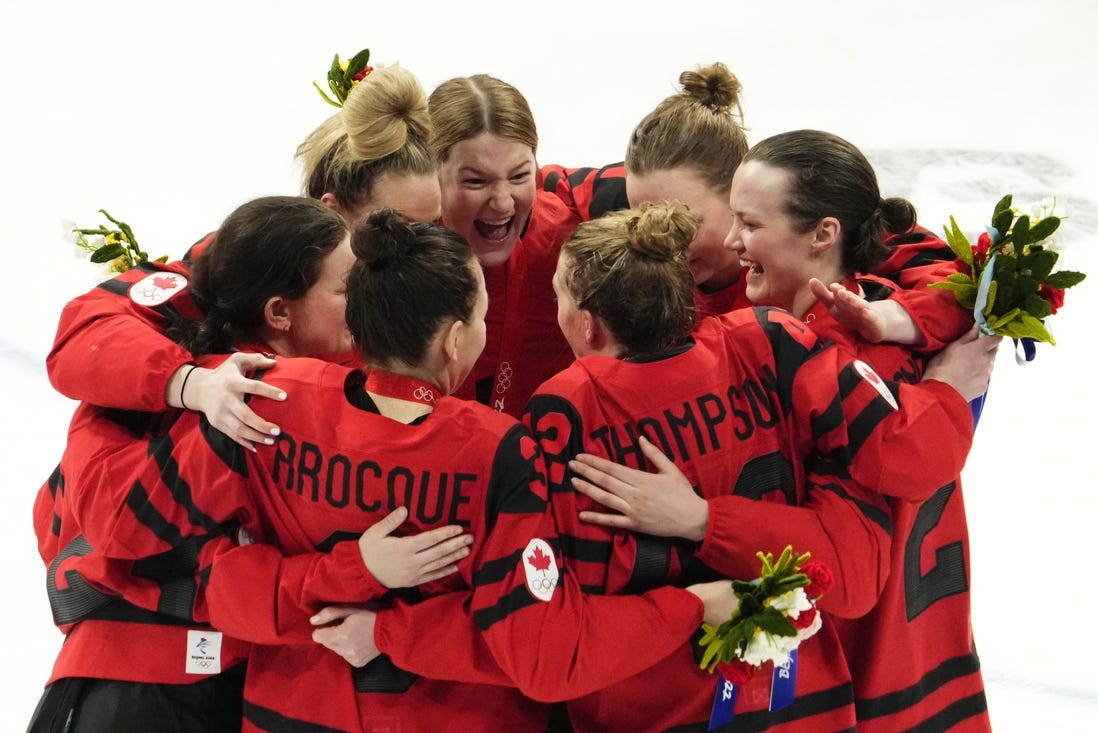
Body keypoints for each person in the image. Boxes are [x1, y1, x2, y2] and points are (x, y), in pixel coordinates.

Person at [77, 206, 737, 732]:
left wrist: (346, 575)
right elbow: (539, 651)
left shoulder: (263, 396)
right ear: (455, 338)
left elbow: (190, 571)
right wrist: (691, 600)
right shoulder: (502, 449)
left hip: (289, 708)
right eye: (481, 314)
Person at [572, 133, 997, 732]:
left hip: (871, 679)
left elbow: (848, 565)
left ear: (824, 234)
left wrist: (700, 519)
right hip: (914, 670)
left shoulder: (837, 360)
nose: (729, 240)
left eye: (749, 222)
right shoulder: (884, 320)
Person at [31, 197, 474, 732]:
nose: (368, 296)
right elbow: (112, 531)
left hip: (239, 680)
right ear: (279, 311)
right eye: (347, 287)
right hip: (139, 689)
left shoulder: (329, 375)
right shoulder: (221, 397)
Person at [44, 63, 441, 448]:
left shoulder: (423, 285)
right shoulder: (251, 255)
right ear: (334, 211)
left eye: (432, 227)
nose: (417, 248)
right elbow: (83, 334)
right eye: (395, 227)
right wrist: (190, 383)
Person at [540, 62, 973, 347]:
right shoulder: (626, 194)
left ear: (738, 192)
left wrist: (892, 319)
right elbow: (535, 183)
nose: (660, 235)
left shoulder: (819, 217)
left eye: (683, 220)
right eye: (640, 214)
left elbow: (961, 284)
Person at [426, 73, 582, 416]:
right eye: (476, 180)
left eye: (519, 176)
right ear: (430, 174)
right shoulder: (389, 256)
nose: (502, 203)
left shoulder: (568, 242)